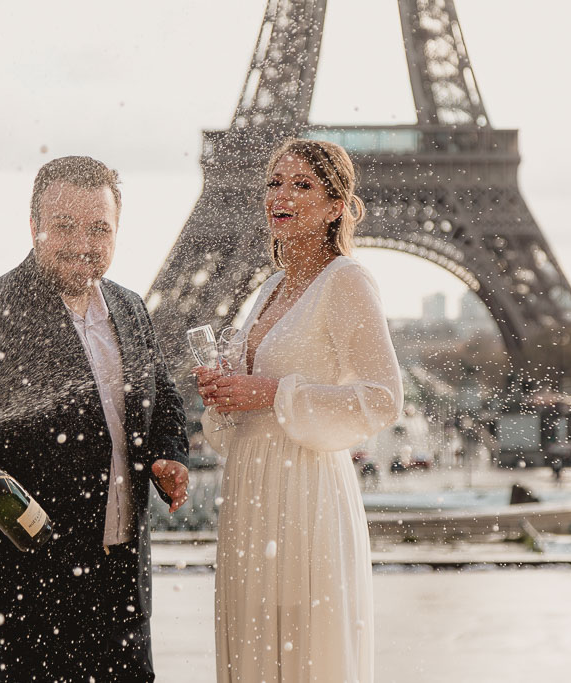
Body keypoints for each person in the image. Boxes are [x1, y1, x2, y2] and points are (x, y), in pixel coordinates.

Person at [0, 156, 190, 682]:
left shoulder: (131, 306)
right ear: (33, 227)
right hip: (29, 572)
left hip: (120, 569)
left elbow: (162, 397)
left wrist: (168, 454)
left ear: (118, 231)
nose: (83, 244)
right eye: (64, 226)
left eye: (99, 229)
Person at [195, 139, 403, 682]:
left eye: (302, 184)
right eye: (274, 182)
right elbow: (241, 416)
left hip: (304, 491)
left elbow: (383, 398)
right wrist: (226, 395)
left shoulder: (347, 281)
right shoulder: (269, 287)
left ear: (337, 206)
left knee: (303, 648)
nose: (281, 195)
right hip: (251, 491)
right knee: (257, 645)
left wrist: (272, 393)